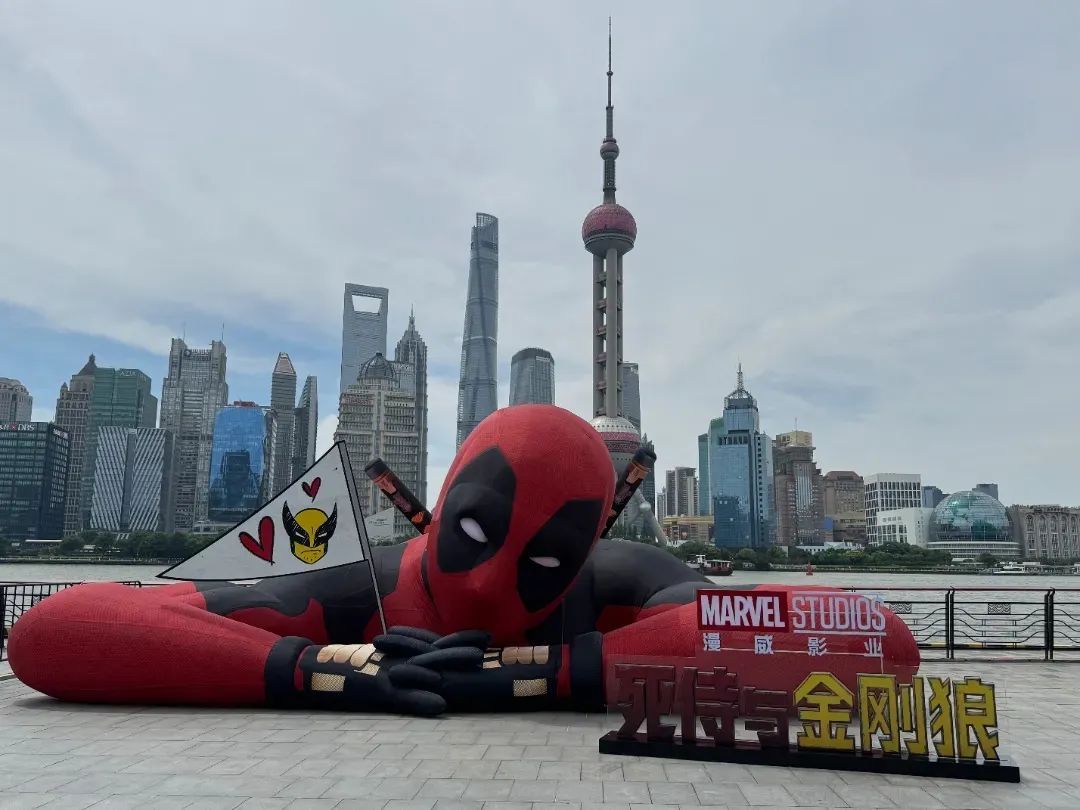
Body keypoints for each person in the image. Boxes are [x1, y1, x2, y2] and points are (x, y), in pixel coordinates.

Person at [8, 405, 919, 715]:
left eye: (545, 563)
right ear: (436, 508)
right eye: (474, 534)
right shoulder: (359, 592)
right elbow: (54, 632)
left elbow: (874, 638)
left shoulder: (617, 580)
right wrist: (320, 671)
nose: (487, 585)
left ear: (585, 553)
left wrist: (550, 673)